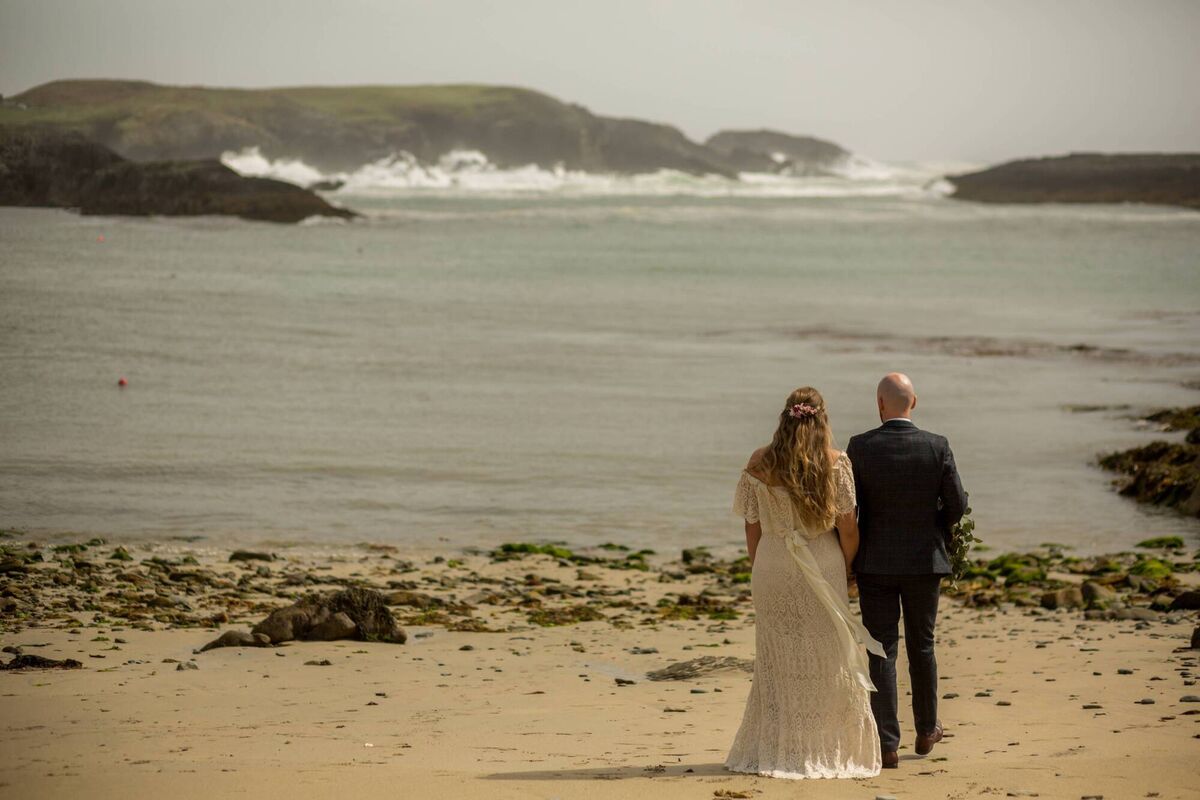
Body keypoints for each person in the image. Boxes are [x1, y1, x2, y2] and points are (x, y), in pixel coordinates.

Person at [725, 386, 884, 779]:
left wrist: (760, 566)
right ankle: (822, 746)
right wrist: (848, 569)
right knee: (827, 659)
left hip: (773, 562)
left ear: (785, 416)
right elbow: (848, 528)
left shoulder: (759, 462)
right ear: (822, 418)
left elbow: (751, 526)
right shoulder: (836, 462)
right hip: (822, 562)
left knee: (776, 659)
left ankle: (777, 746)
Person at [846, 372, 967, 769]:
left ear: (879, 404)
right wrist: (936, 529)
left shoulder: (860, 446)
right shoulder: (937, 445)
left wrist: (847, 557)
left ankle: (887, 744)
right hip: (924, 562)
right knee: (923, 645)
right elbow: (957, 503)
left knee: (881, 648)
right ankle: (927, 729)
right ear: (914, 402)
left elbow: (849, 508)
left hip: (876, 564)